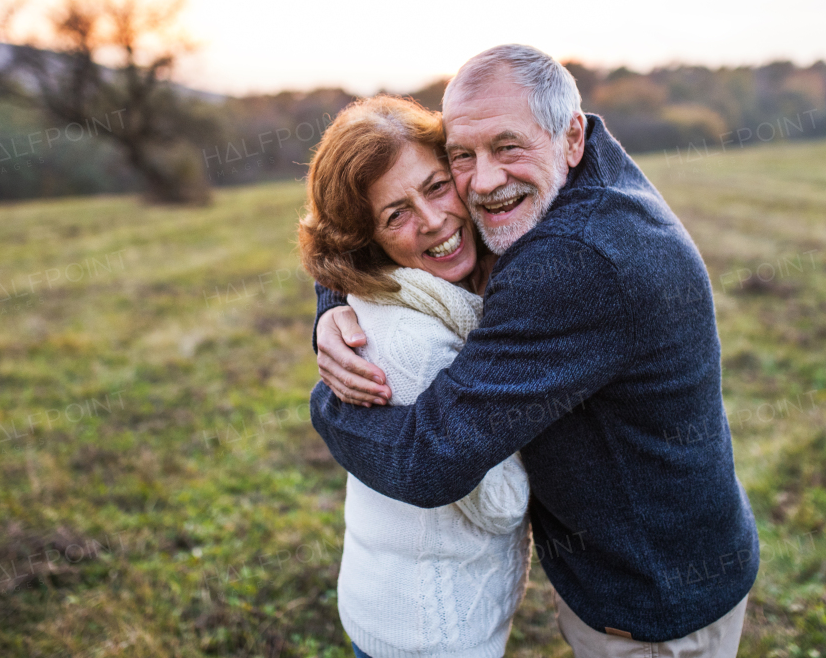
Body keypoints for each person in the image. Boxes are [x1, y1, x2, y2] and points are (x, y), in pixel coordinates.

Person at [310, 45, 759, 657]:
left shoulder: (574, 262)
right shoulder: (575, 180)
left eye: (508, 147)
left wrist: (326, 405)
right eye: (463, 157)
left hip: (654, 606)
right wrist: (331, 300)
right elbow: (363, 201)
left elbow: (429, 459)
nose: (483, 181)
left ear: (571, 136)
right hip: (657, 570)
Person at [298, 94, 532, 658]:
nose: (433, 222)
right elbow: (501, 503)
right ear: (365, 236)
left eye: (435, 187)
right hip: (432, 630)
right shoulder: (419, 343)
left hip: (391, 603)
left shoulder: (409, 296)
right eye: (395, 214)